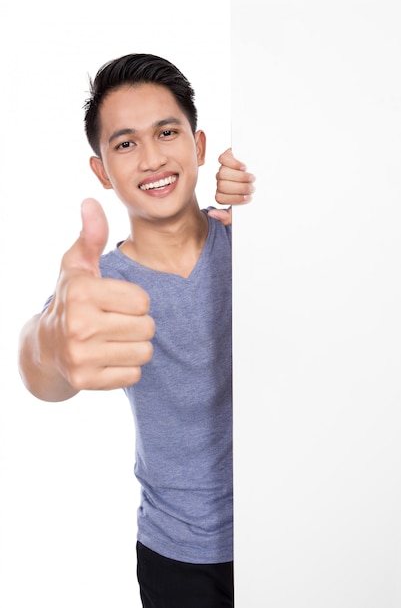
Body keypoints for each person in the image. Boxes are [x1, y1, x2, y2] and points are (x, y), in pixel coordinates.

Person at [18, 53, 255, 607]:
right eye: (125, 143)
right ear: (102, 169)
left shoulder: (252, 244)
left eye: (166, 133)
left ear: (197, 146)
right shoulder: (99, 286)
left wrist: (282, 215)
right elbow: (42, 370)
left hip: (294, 534)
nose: (152, 159)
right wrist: (48, 345)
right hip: (176, 556)